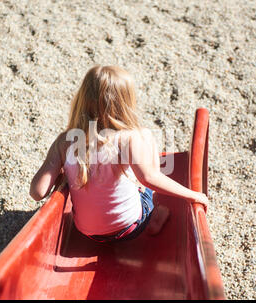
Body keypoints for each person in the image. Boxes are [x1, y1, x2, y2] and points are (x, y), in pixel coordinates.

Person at [30, 65, 208, 242]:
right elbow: (149, 178)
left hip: (87, 233)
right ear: (125, 103)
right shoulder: (129, 138)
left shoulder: (65, 141)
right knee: (145, 134)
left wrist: (61, 173)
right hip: (130, 228)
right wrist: (193, 195)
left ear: (82, 99)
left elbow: (37, 192)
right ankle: (155, 215)